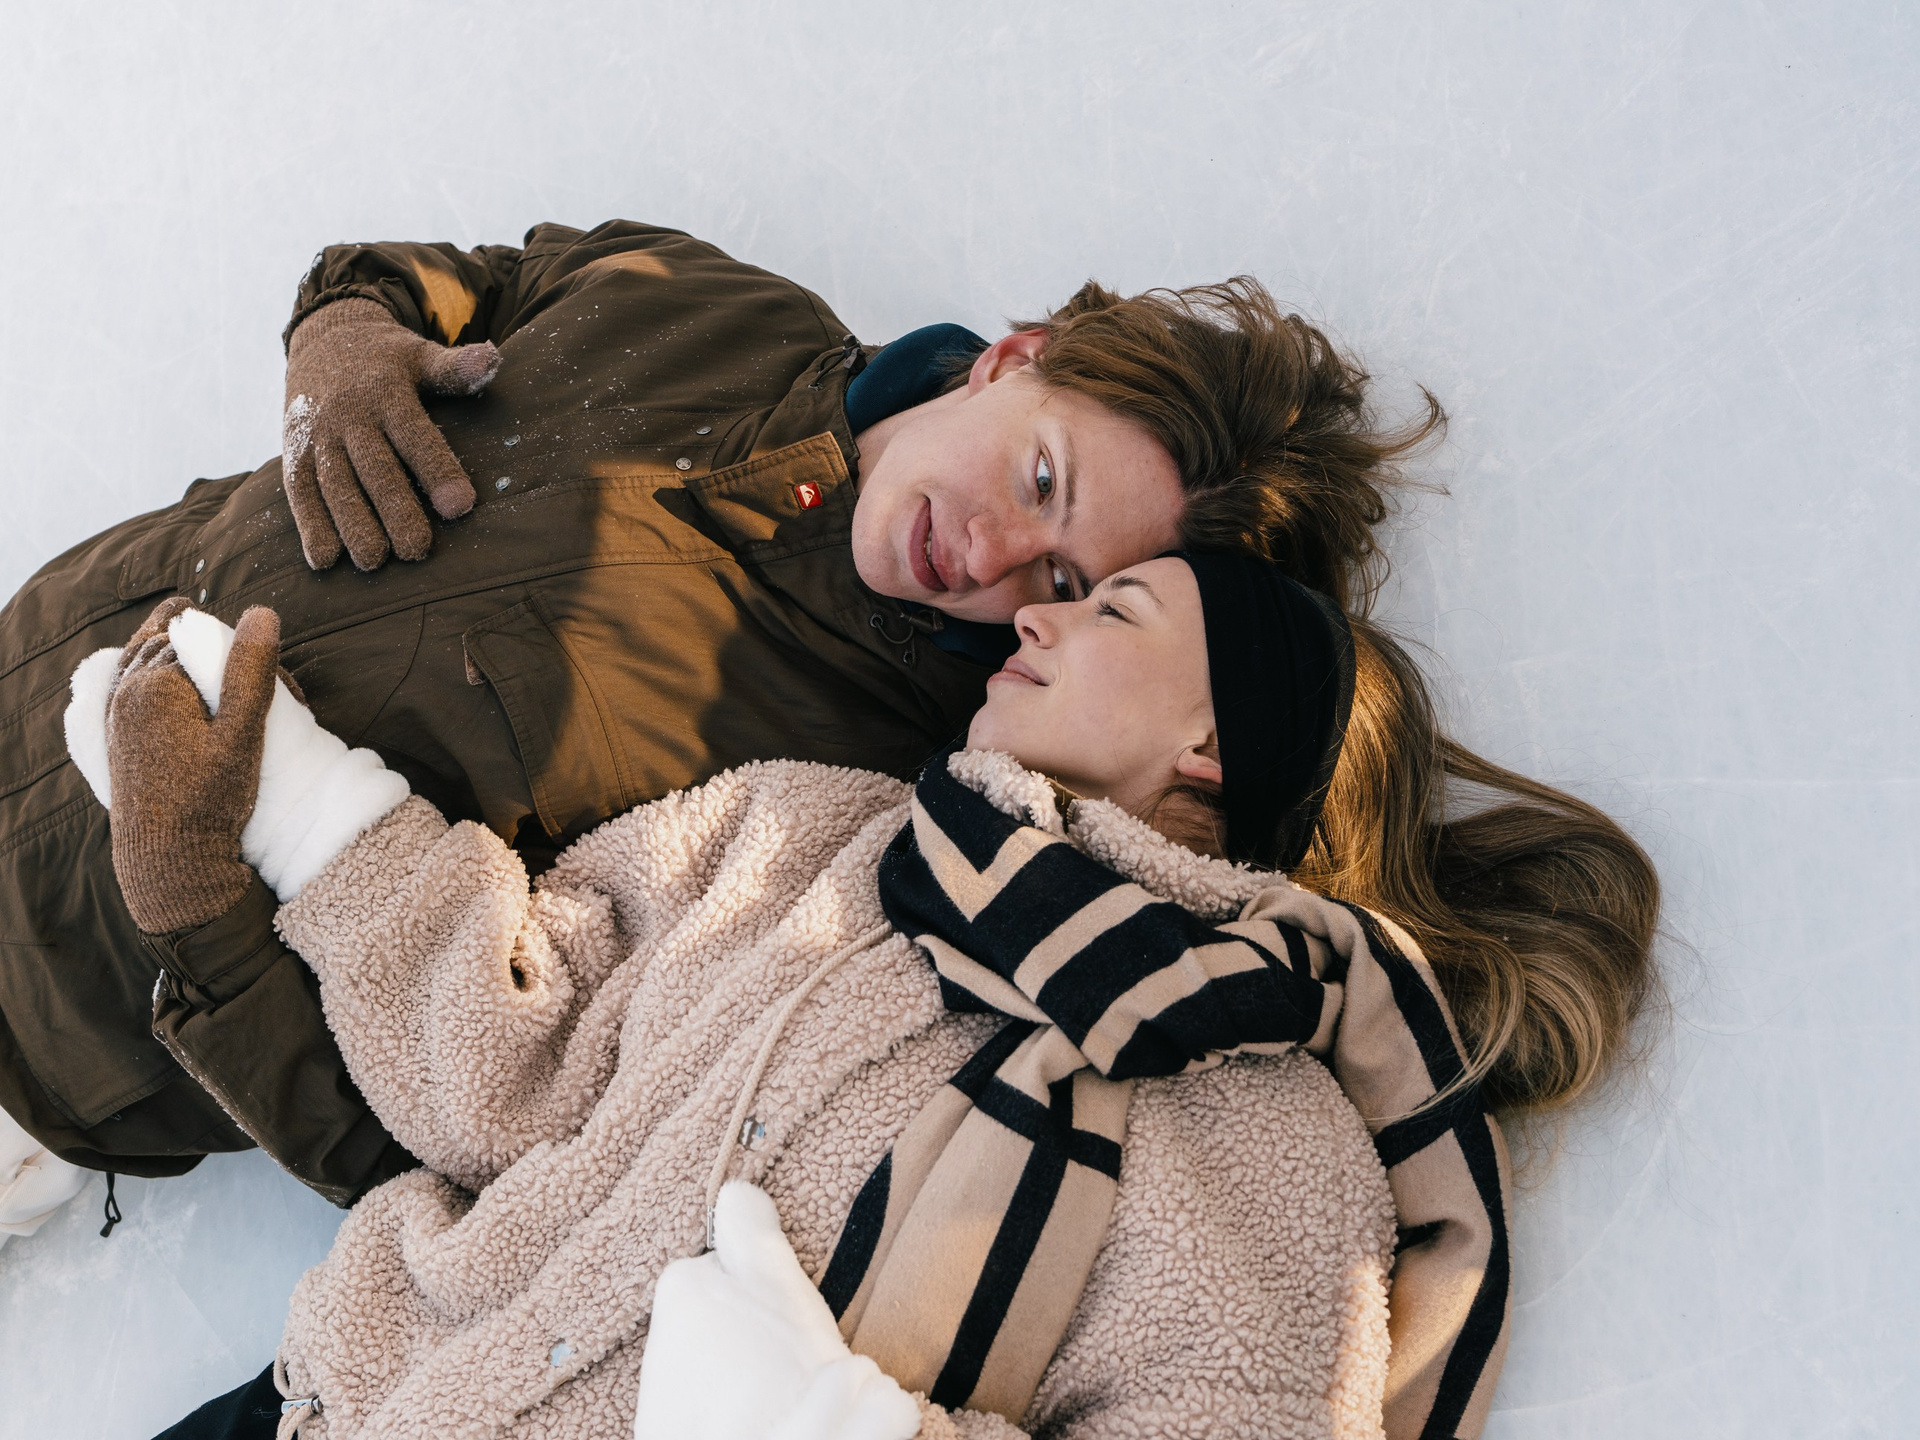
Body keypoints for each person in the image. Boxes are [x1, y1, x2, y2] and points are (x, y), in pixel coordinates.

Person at [0, 219, 1437, 1205]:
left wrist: (189, 900)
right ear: (1018, 358)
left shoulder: (837, 813)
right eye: (1042, 476)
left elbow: (471, 1135)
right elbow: (477, 281)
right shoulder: (721, 310)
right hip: (40, 647)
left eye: (1066, 579)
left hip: (50, 1007)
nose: (992, 554)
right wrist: (346, 329)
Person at [108, 546, 1654, 1440]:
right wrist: (302, 807)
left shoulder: (1268, 1144)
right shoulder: (824, 831)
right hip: (338, 1403)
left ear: (1212, 750)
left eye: (1112, 613)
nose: (1037, 616)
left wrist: (825, 1429)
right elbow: (510, 1065)